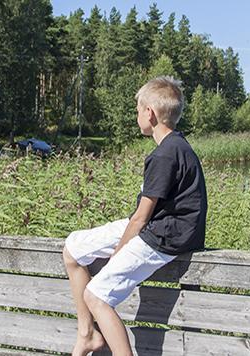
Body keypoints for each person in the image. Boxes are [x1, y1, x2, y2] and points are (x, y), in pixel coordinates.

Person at [62, 76, 208, 356]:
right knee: (73, 248)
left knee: (97, 295)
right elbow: (143, 216)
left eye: (138, 109)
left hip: (163, 237)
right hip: (158, 226)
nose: (137, 115)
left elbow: (141, 220)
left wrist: (116, 256)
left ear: (150, 113)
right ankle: (87, 334)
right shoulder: (174, 147)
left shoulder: (166, 155)